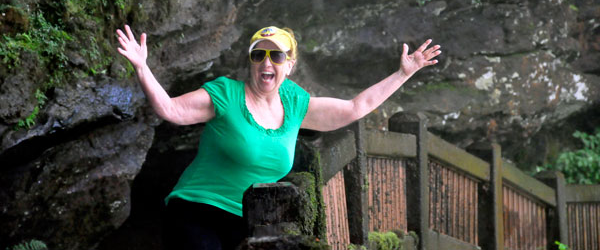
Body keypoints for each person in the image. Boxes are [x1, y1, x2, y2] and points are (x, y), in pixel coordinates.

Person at [116, 24, 441, 250]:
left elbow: (356, 107)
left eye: (276, 55)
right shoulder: (226, 94)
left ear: (290, 65)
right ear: (251, 62)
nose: (266, 62)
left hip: (251, 221)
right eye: (259, 55)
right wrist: (143, 68)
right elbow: (170, 110)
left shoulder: (296, 104)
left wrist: (404, 73)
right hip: (196, 211)